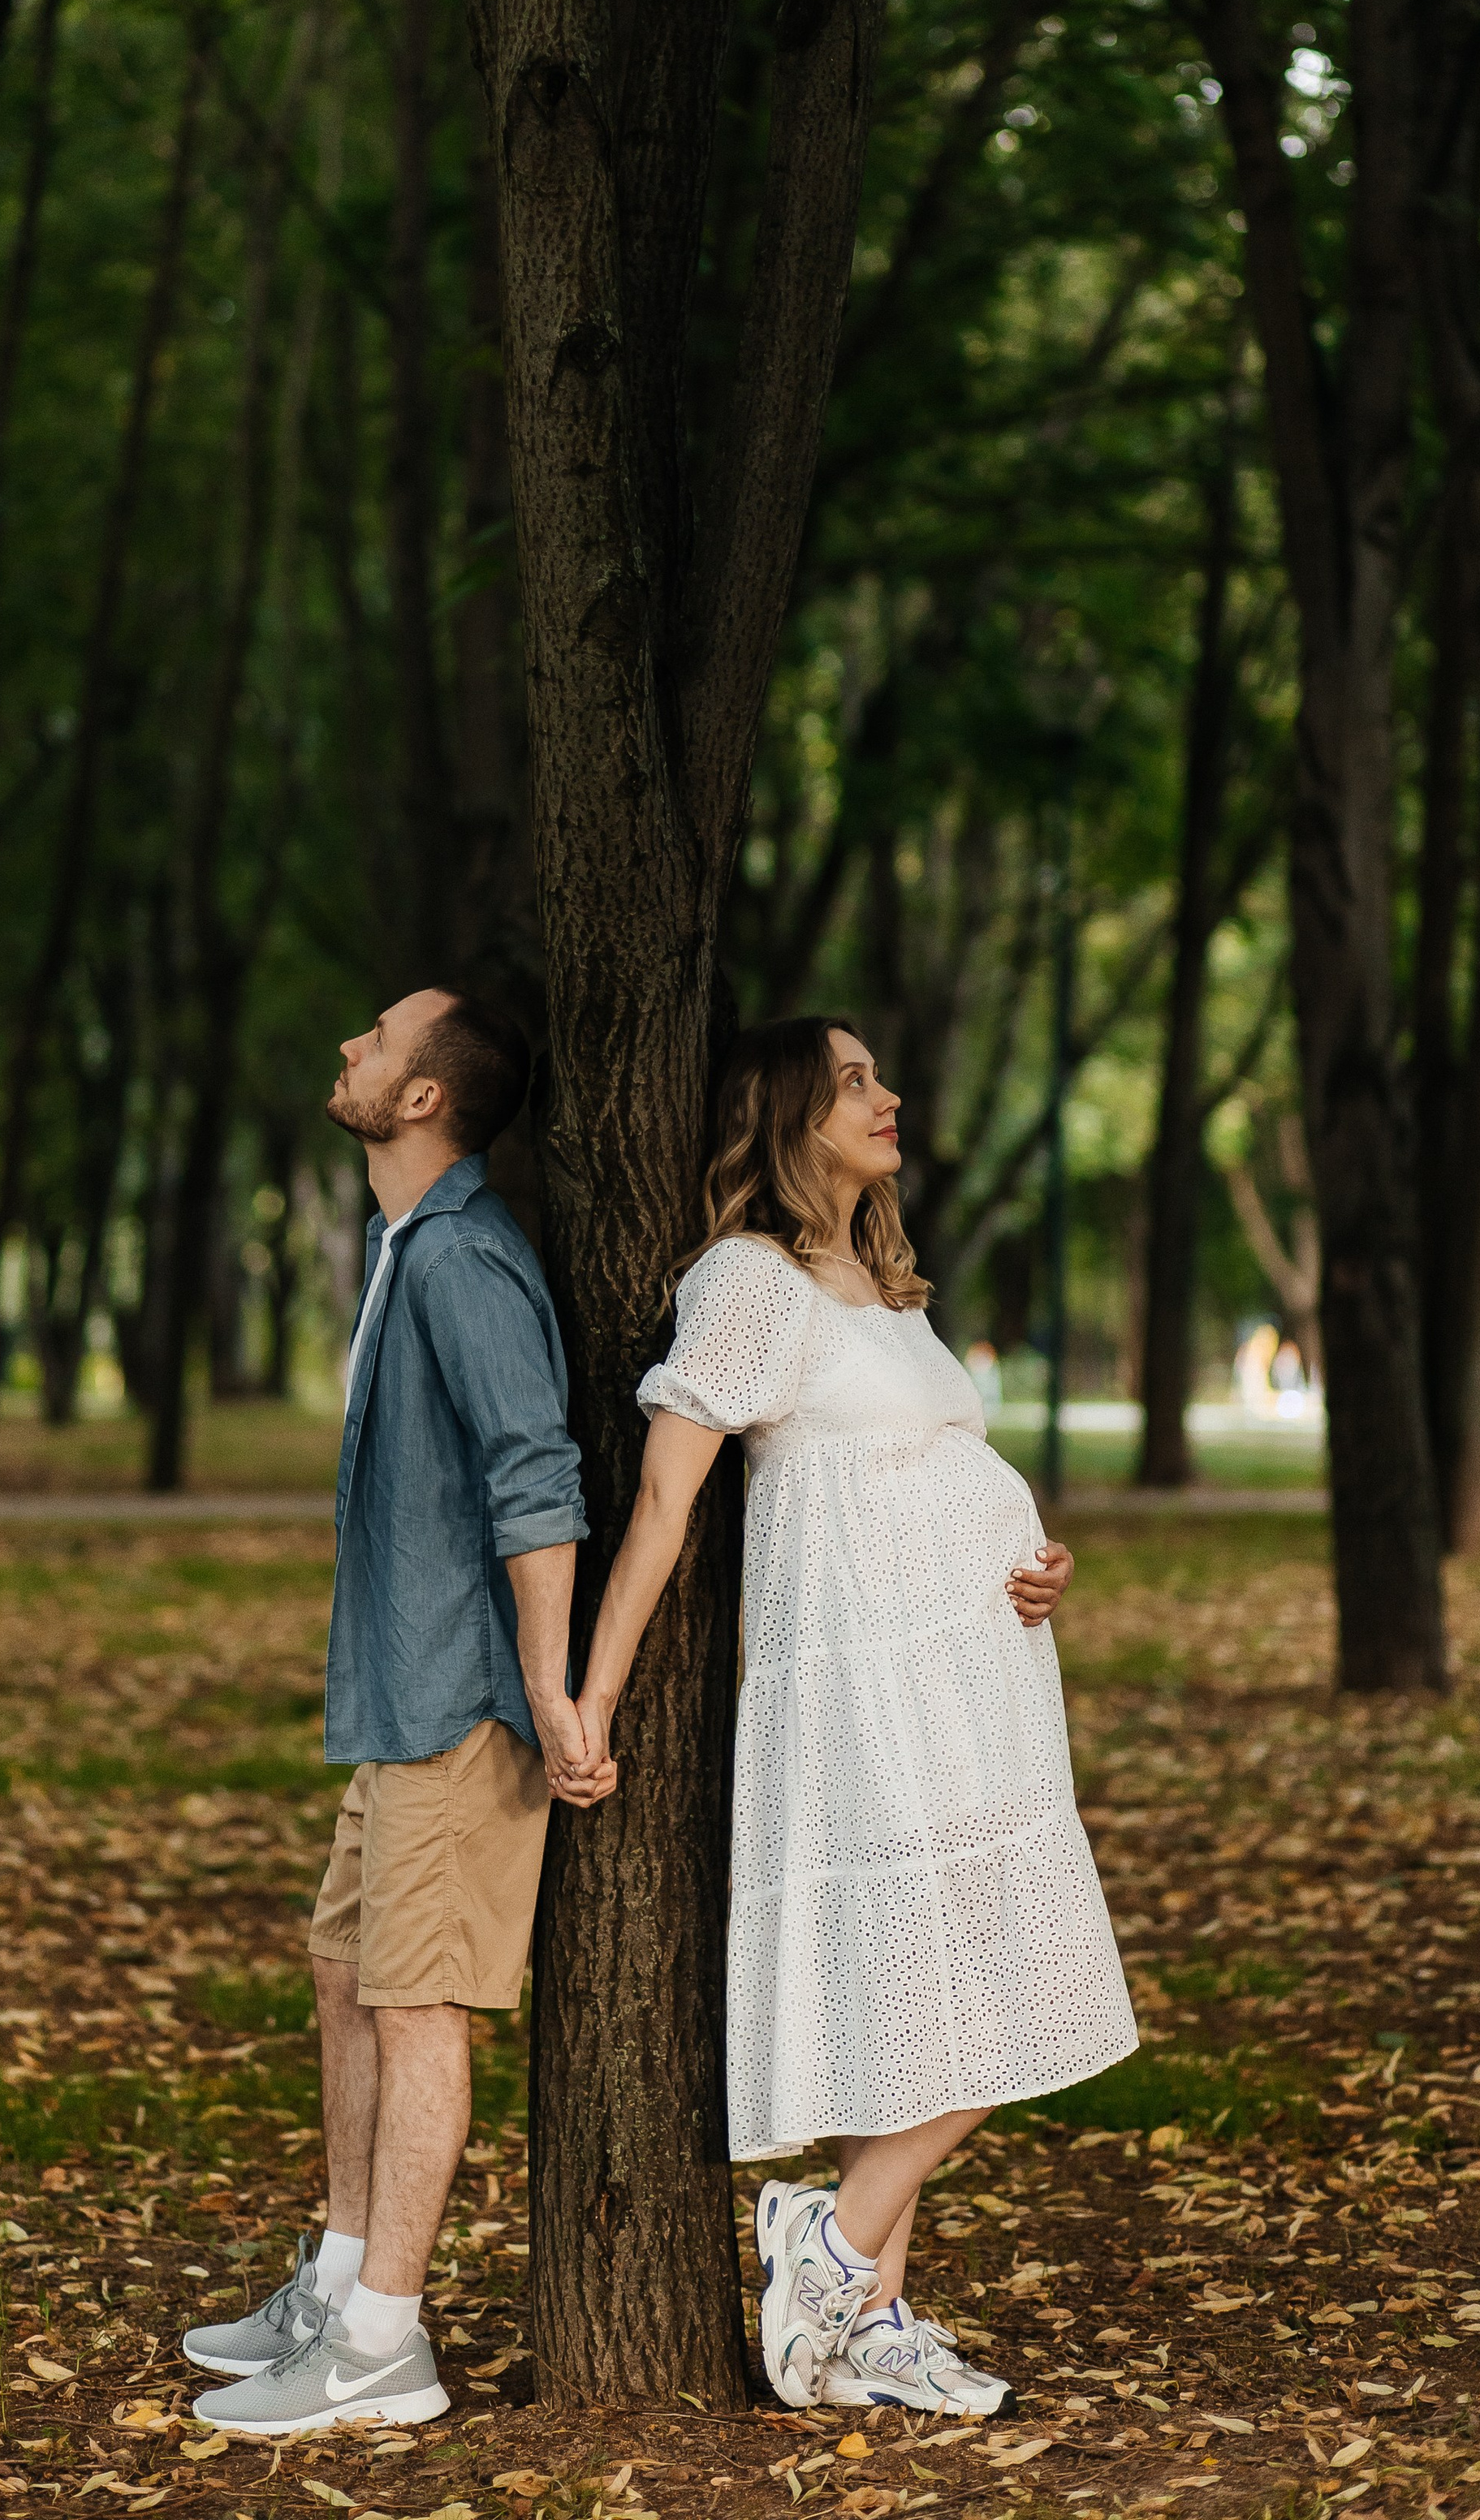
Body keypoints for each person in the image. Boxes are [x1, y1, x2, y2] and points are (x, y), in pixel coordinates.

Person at [567, 1017, 1137, 2417]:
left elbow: (931, 1461)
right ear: (788, 1115)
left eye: (884, 1074)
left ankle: (864, 2316)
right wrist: (588, 1693)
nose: (890, 1098)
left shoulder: (879, 1278)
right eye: (858, 1081)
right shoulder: (750, 1282)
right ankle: (824, 2239)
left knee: (944, 1991)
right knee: (999, 1982)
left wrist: (1028, 1557)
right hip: (867, 1686)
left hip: (972, 1679)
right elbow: (663, 1504)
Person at [183, 989, 597, 2439]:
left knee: (421, 2011)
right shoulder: (402, 1244)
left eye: (374, 1039)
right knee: (344, 1974)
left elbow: (537, 1477)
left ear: (423, 1099)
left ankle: (384, 2351)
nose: (348, 1048)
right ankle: (340, 2279)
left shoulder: (468, 1261)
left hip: (461, 1709)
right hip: (395, 1699)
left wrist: (550, 1692)